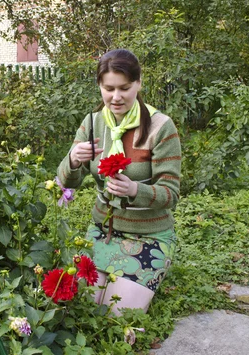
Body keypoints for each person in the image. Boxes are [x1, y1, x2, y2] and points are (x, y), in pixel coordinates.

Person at [57, 48, 181, 314]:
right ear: (100, 86)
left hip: (149, 236)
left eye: (124, 88)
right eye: (108, 88)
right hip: (104, 231)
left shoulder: (160, 127)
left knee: (116, 314)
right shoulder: (92, 123)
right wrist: (73, 160)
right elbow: (68, 181)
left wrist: (135, 189)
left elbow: (171, 193)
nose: (115, 97)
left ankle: (153, 270)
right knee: (81, 305)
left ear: (138, 83)